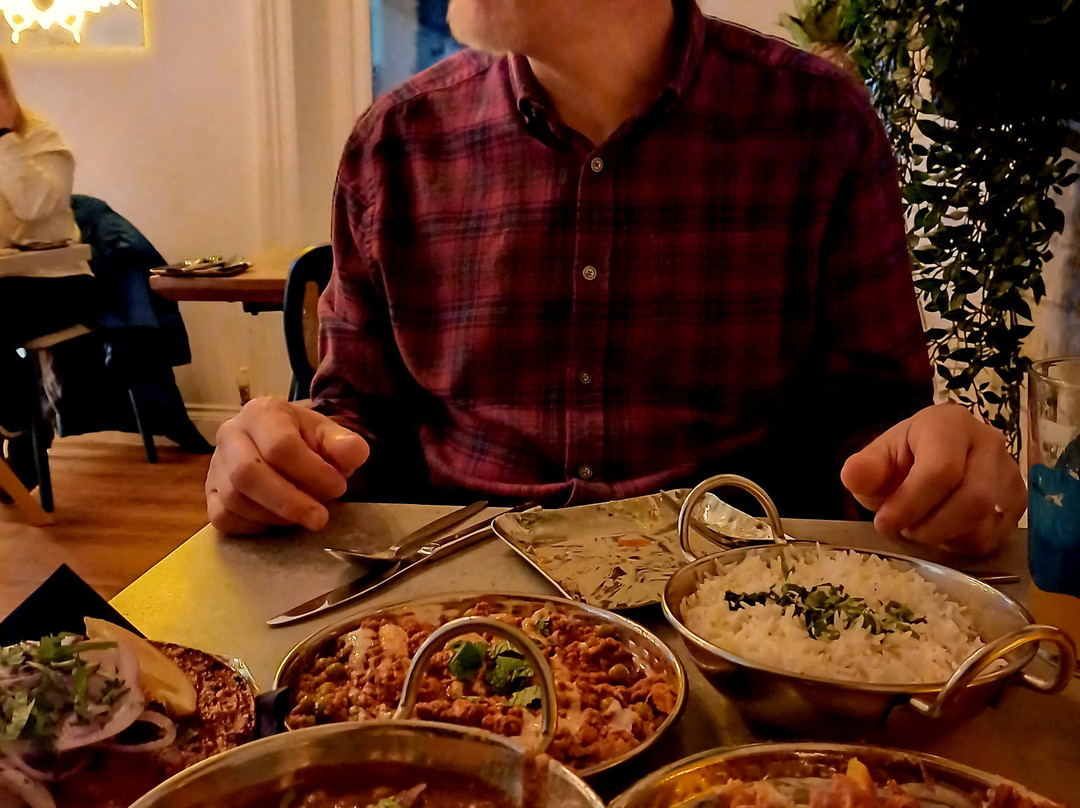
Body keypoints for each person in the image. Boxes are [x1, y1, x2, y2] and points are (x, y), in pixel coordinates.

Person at [206, 0, 1027, 556]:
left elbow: (873, 426)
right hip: (452, 613)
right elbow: (357, 418)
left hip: (739, 614)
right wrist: (281, 462)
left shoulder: (818, 125)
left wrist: (935, 471)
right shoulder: (395, 144)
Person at [0, 52, 97, 489]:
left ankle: (21, 420)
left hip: (57, 283)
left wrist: (4, 137)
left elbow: (34, 205)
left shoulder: (39, 137)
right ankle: (21, 417)